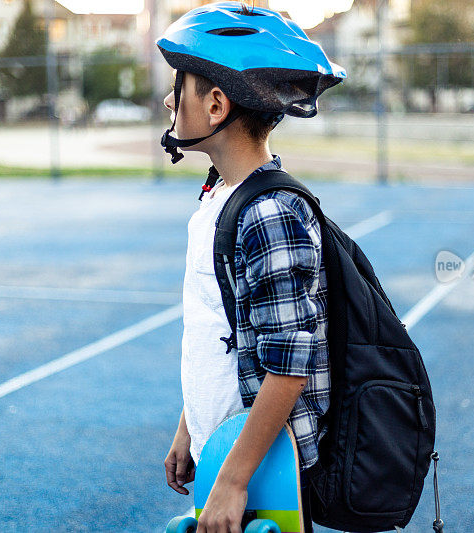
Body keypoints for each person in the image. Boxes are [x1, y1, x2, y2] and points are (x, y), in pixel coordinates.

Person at [158, 3, 345, 532]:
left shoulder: (268, 214)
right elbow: (221, 330)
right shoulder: (223, 195)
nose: (170, 99)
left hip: (265, 466)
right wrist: (189, 429)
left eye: (182, 85)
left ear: (216, 104)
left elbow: (289, 362)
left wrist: (236, 478)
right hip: (226, 447)